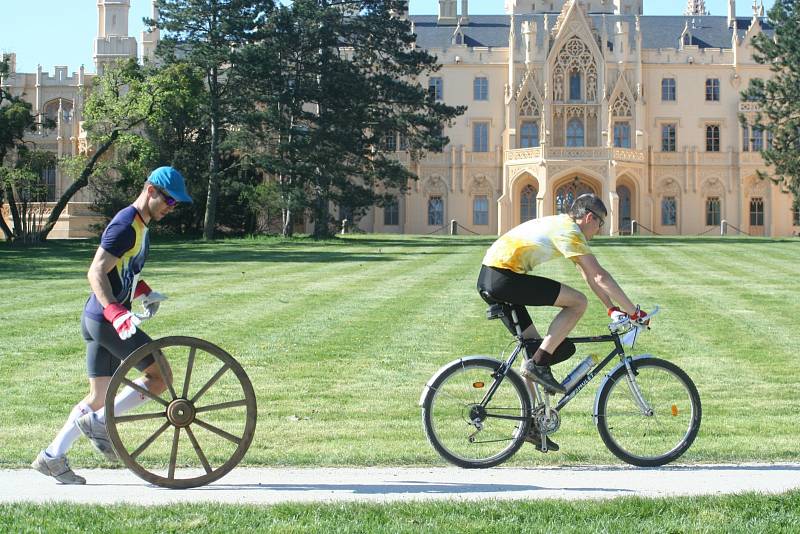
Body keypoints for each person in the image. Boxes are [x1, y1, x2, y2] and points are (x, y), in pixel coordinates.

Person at [31, 166, 192, 484]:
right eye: (169, 201)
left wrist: (143, 291)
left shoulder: (141, 226)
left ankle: (51, 456)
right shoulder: (125, 225)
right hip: (105, 320)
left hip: (95, 319)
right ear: (150, 190)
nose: (170, 208)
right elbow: (95, 272)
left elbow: (123, 270)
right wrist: (116, 312)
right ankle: (102, 422)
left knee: (97, 395)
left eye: (175, 204)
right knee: (160, 376)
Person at [477, 193, 647, 450]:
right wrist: (634, 312)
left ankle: (529, 424)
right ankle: (541, 363)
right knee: (577, 303)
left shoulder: (562, 226)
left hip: (492, 277)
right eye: (600, 224)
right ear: (589, 217)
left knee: (532, 347)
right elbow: (600, 275)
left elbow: (588, 275)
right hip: (504, 276)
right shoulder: (569, 230)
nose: (598, 231)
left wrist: (611, 308)